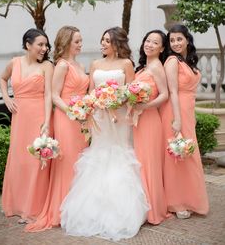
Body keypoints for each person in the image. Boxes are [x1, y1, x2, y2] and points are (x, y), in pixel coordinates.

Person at [60, 27, 149, 241]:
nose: (102, 44)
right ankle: (92, 209)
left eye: (107, 41)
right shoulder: (95, 64)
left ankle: (122, 208)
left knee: (119, 153)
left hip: (118, 118)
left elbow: (132, 92)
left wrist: (118, 99)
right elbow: (90, 92)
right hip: (99, 118)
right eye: (102, 40)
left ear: (117, 43)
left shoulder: (126, 64)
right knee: (98, 154)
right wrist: (95, 102)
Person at [26, 25, 89, 232]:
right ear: (66, 42)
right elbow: (54, 95)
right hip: (66, 118)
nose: (80, 44)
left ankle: (79, 209)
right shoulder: (62, 65)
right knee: (68, 162)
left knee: (81, 163)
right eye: (77, 41)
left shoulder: (79, 64)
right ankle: (62, 210)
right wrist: (73, 112)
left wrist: (85, 110)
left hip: (81, 119)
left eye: (80, 41)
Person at [0, 28, 53, 223]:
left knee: (36, 161)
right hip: (19, 116)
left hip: (39, 115)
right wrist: (6, 98)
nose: (44, 48)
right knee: (19, 159)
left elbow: (48, 94)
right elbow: (2, 79)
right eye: (40, 44)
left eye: (46, 45)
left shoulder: (47, 66)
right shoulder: (14, 62)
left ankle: (33, 208)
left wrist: (47, 121)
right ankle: (19, 205)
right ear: (28, 44)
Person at [160, 24, 209, 219]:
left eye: (179, 39)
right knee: (177, 157)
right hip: (174, 111)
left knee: (188, 155)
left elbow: (192, 94)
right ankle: (176, 201)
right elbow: (172, 91)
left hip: (187, 111)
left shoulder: (188, 61)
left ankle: (190, 198)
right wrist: (177, 119)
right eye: (172, 40)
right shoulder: (172, 61)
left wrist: (192, 116)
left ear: (187, 39)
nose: (175, 43)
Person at [133, 30, 171, 225]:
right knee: (139, 163)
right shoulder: (142, 67)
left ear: (162, 48)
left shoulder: (157, 67)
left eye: (155, 43)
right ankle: (141, 207)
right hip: (137, 121)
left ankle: (153, 209)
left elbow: (164, 94)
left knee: (148, 164)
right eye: (147, 40)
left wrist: (144, 106)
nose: (149, 44)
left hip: (150, 121)